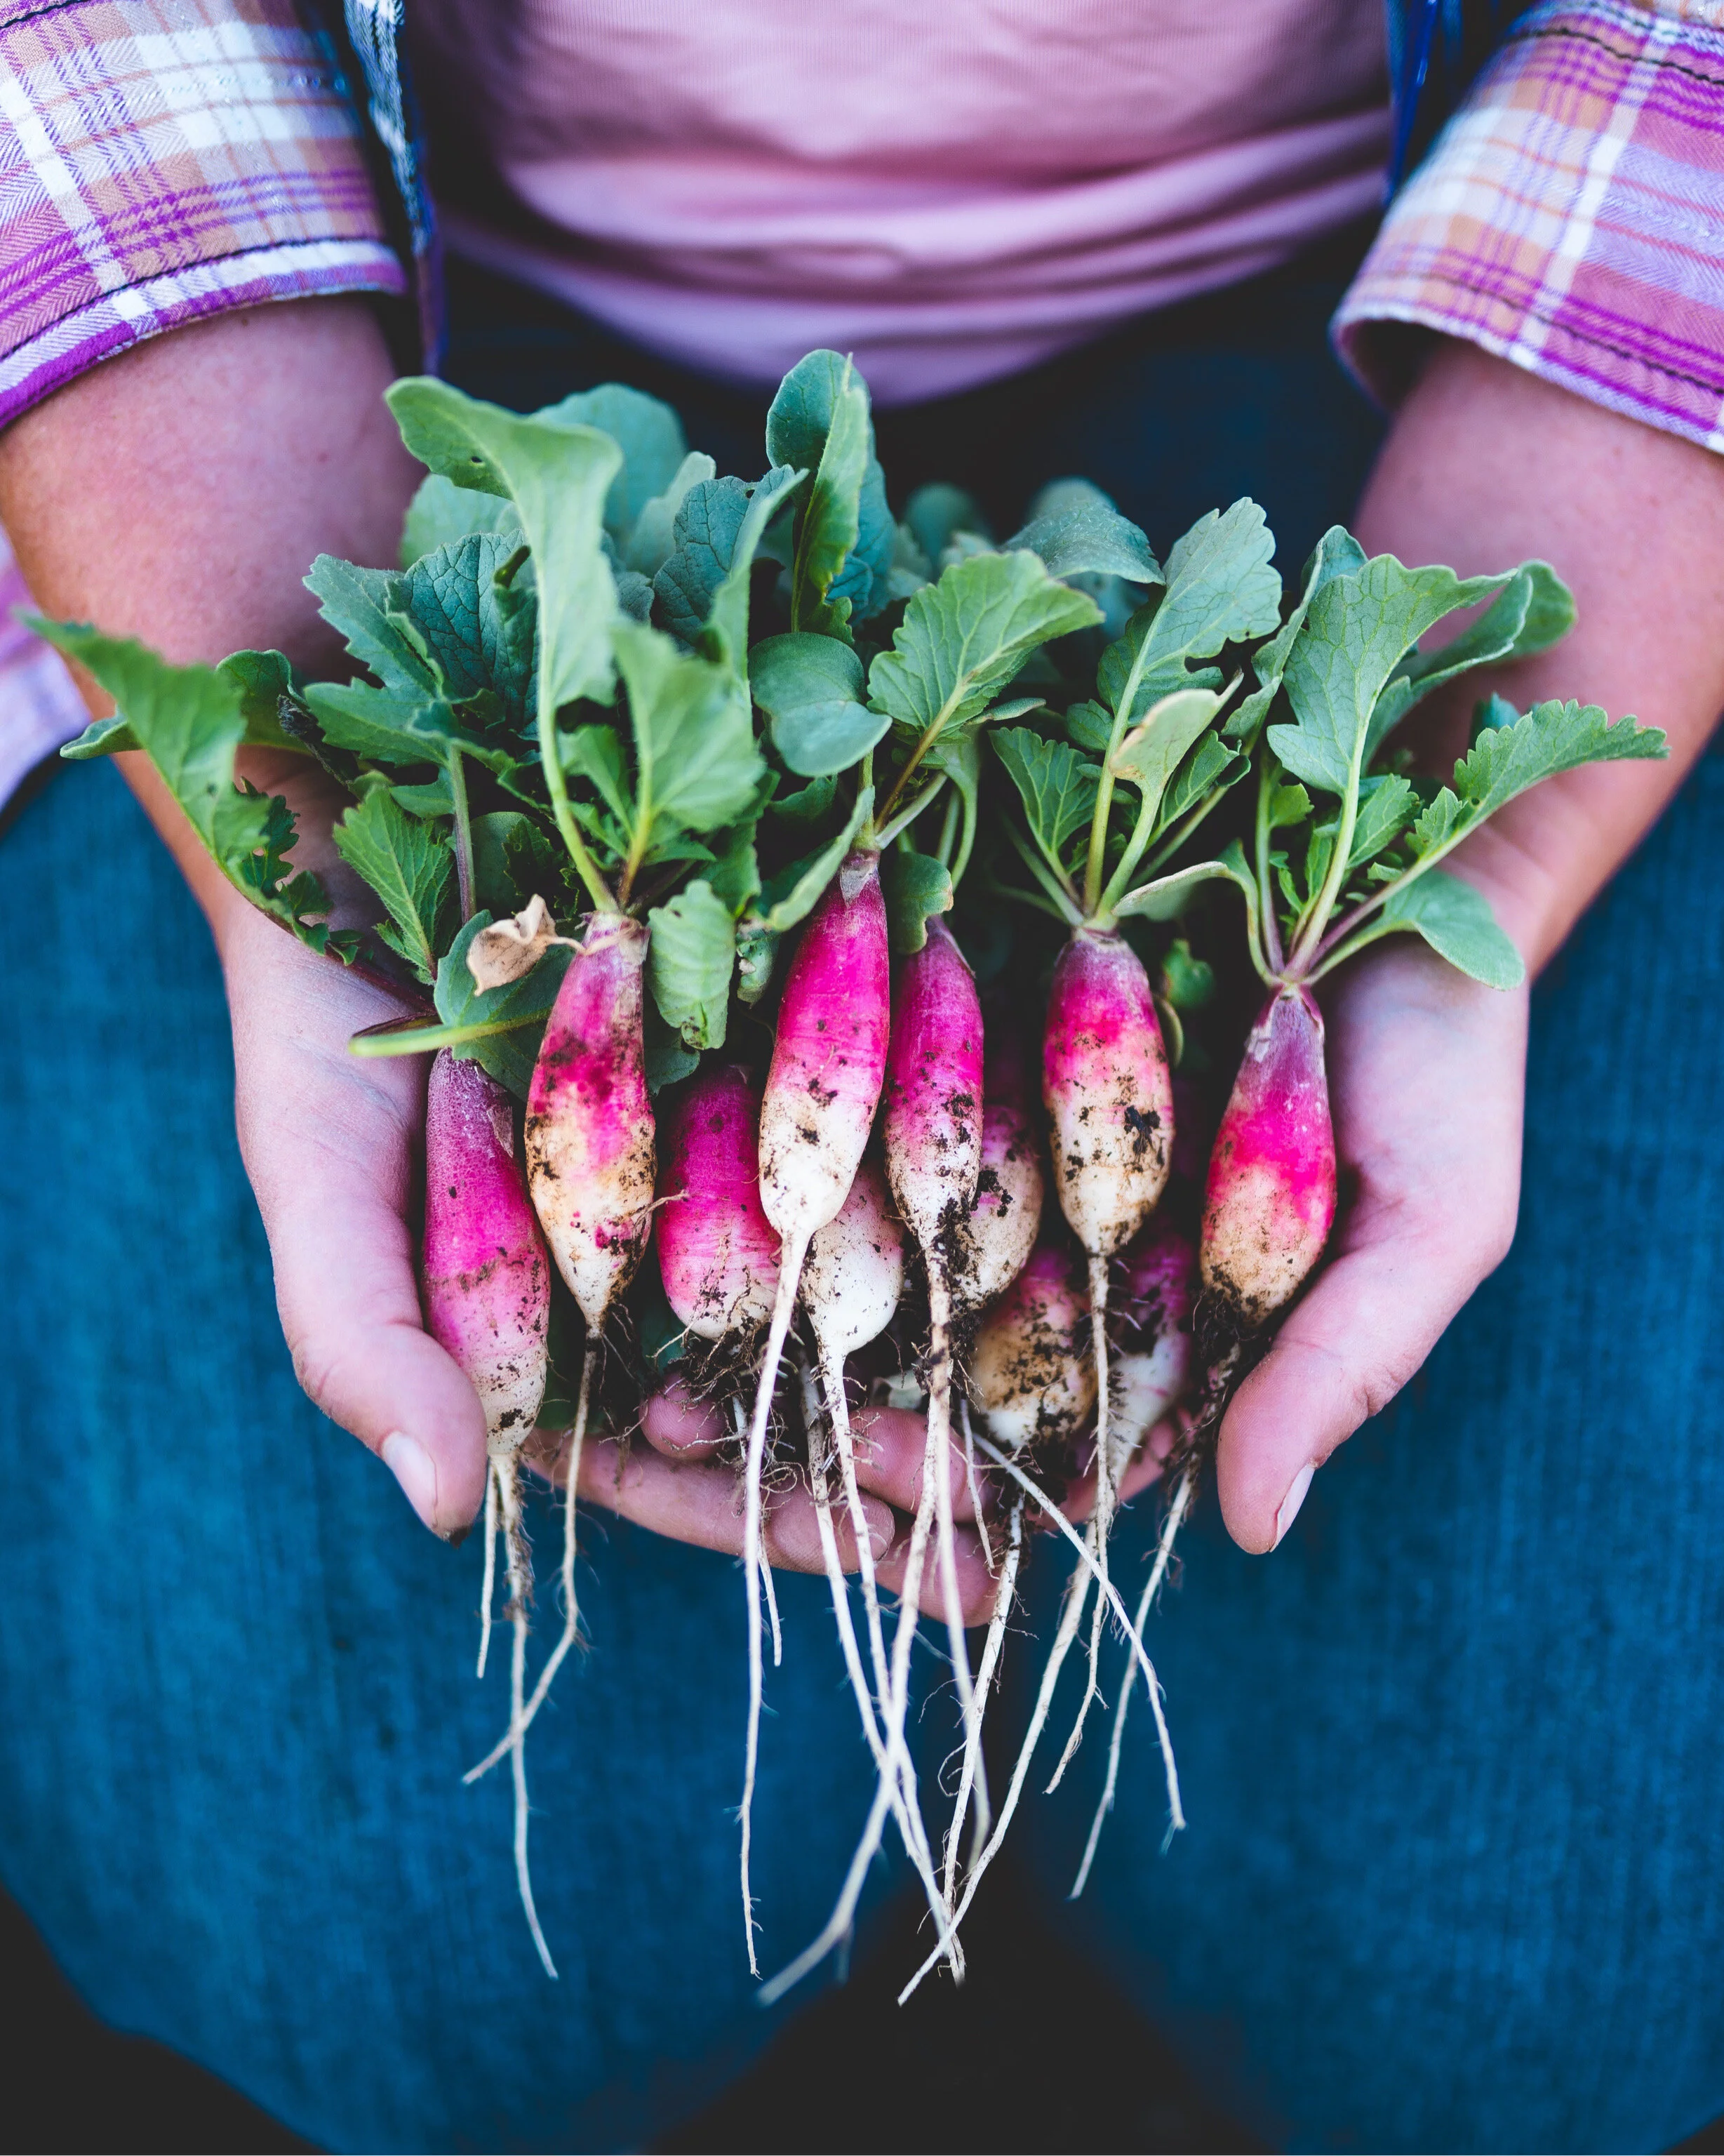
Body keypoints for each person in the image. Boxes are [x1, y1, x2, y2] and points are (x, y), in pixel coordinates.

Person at [1, 2, 1721, 2147]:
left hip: (1413, 326)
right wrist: (314, 895)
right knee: (368, 1973)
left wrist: (1500, 858)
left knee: (1547, 1968)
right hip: (352, 338)